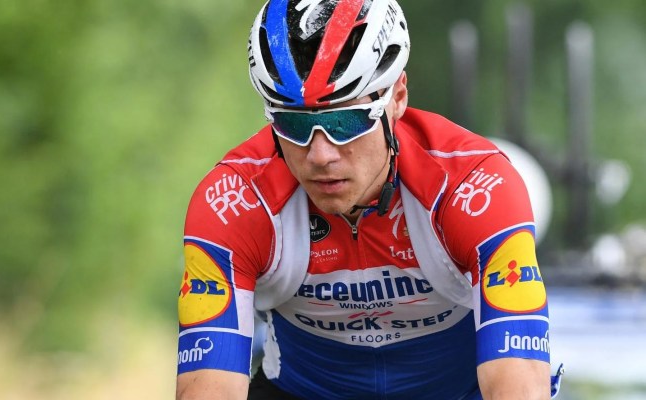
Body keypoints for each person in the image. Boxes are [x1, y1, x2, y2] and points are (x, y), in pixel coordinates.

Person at [175, 0, 563, 399]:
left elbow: (519, 385)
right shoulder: (237, 199)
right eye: (293, 124)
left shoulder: (472, 186)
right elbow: (210, 389)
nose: (320, 155)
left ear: (398, 97)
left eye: (345, 121)